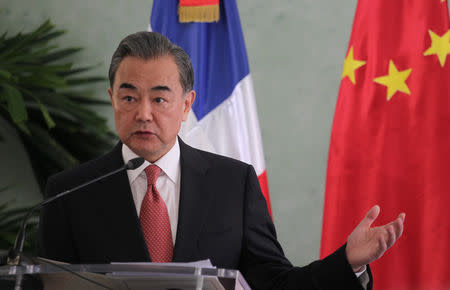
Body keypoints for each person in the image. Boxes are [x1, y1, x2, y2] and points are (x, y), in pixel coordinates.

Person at [38, 31, 405, 290]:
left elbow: (275, 283)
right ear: (112, 99)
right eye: (129, 97)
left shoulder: (233, 184)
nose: (144, 113)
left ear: (186, 105)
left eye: (160, 99)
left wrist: (348, 263)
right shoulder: (68, 193)